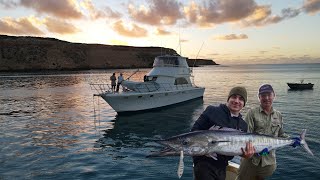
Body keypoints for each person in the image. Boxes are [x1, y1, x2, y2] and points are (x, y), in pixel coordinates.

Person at [191, 86, 255, 180]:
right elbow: (194, 132)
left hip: (222, 168)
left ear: (244, 103)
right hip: (203, 165)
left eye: (241, 99)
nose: (237, 101)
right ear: (228, 99)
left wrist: (246, 155)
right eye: (234, 97)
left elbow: (237, 149)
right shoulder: (212, 110)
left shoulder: (243, 125)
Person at [237, 84, 289, 180]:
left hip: (269, 161)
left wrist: (292, 140)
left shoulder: (278, 115)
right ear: (259, 97)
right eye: (263, 95)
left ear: (274, 95)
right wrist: (258, 151)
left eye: (269, 95)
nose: (267, 98)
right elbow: (245, 136)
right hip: (250, 161)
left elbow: (281, 134)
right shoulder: (252, 113)